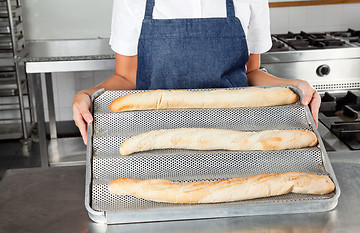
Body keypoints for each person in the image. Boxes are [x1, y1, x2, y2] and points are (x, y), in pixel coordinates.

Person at [73, 0, 320, 145]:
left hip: (236, 138)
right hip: (156, 140)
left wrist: (295, 85)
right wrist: (88, 94)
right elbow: (126, 77)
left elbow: (251, 73)